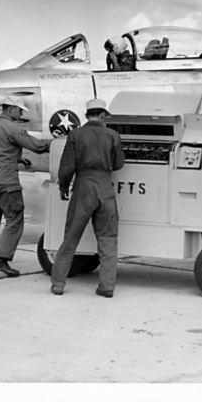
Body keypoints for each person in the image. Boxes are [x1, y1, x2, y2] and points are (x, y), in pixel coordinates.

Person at [50, 98, 125, 298]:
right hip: (105, 188)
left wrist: (64, 187)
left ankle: (58, 283)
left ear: (87, 115)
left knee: (71, 237)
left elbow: (67, 167)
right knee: (108, 239)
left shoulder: (76, 134)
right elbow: (119, 164)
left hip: (83, 187)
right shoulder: (113, 135)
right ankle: (107, 287)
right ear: (102, 115)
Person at [0, 96, 51, 276]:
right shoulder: (11, 128)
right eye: (20, 110)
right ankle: (2, 260)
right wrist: (56, 143)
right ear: (11, 109)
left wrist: (17, 158)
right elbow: (36, 146)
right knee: (14, 220)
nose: (21, 114)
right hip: (7, 183)